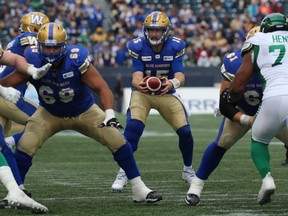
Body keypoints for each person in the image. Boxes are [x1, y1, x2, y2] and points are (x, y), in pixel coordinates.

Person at [0, 22, 162, 204]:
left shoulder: (76, 58)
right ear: (39, 46)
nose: (51, 52)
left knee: (117, 139)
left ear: (64, 46)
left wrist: (109, 113)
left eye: (55, 48)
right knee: (26, 144)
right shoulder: (33, 59)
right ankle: (17, 191)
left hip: (84, 111)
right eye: (46, 47)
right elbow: (8, 81)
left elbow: (102, 88)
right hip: (49, 113)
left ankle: (139, 188)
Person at [185, 25, 288, 206]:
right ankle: (197, 184)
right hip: (242, 112)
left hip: (267, 112)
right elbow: (225, 104)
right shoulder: (235, 63)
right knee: (221, 144)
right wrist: (245, 119)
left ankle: (197, 184)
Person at [111, 11, 195, 192]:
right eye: (151, 30)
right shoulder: (137, 46)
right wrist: (139, 84)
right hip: (143, 93)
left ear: (166, 31)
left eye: (158, 30)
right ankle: (124, 171)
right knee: (133, 129)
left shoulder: (176, 46)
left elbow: (180, 75)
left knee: (185, 132)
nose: (154, 34)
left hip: (167, 92)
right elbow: (135, 76)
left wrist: (171, 82)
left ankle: (188, 169)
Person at [221, 13, 288, 205]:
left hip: (272, 98)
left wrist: (231, 98)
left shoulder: (257, 39)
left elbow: (240, 82)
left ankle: (267, 179)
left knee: (258, 140)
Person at [0, 12, 50, 209]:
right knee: (45, 122)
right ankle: (14, 143)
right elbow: (32, 55)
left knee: (1, 146)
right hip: (6, 95)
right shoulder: (27, 40)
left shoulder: (14, 42)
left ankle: (17, 188)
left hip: (4, 95)